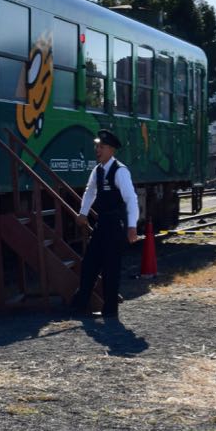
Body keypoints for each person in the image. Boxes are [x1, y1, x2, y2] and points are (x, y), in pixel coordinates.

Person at [70, 129, 140, 320]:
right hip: (102, 223)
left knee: (111, 268)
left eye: (101, 147)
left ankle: (110, 310)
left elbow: (131, 199)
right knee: (90, 263)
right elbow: (90, 191)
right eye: (96, 146)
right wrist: (83, 212)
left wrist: (132, 226)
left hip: (116, 225)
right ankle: (80, 304)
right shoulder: (98, 170)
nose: (97, 149)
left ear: (111, 150)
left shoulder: (120, 171)